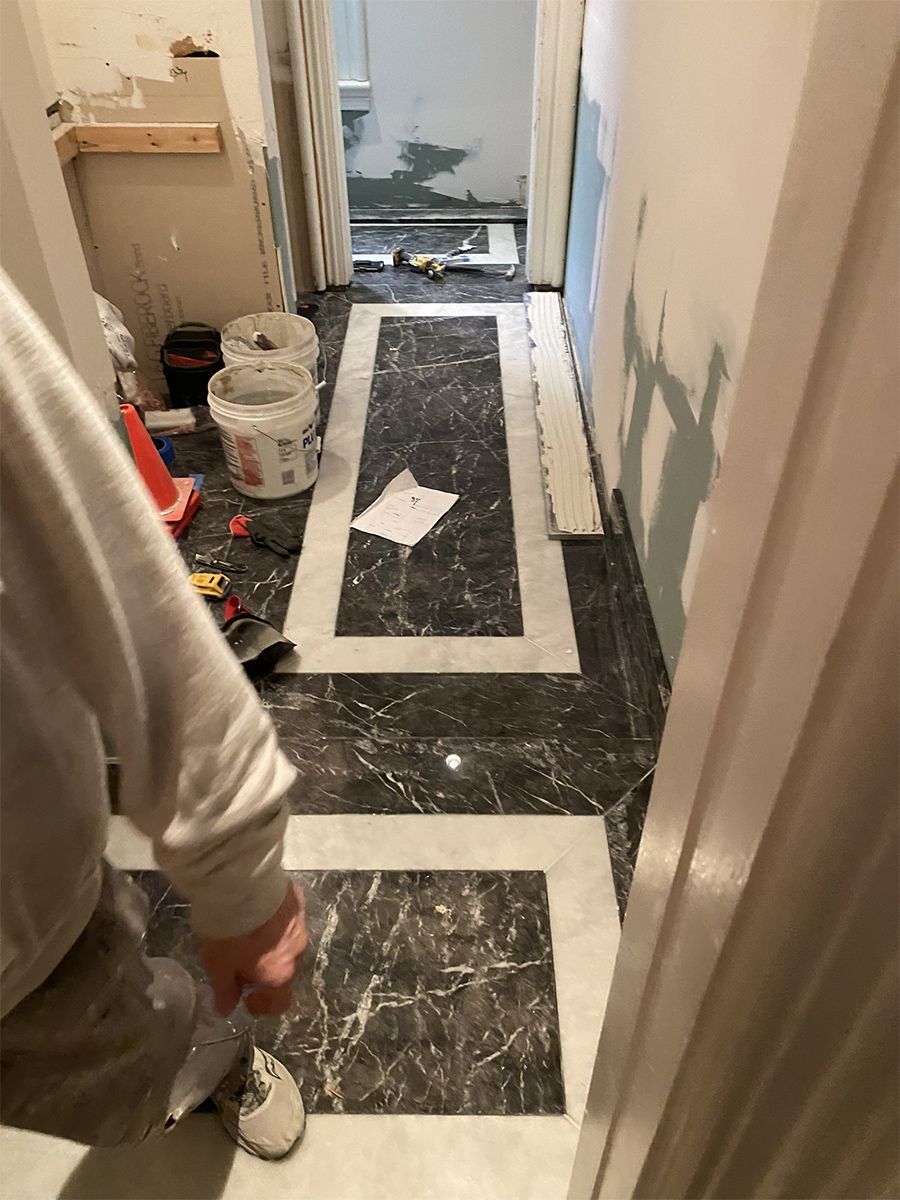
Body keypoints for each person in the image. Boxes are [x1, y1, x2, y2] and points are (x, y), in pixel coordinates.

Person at [0, 269, 309, 1159]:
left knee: (132, 1085)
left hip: (29, 944)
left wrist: (240, 874)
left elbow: (108, 563)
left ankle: (214, 1051)